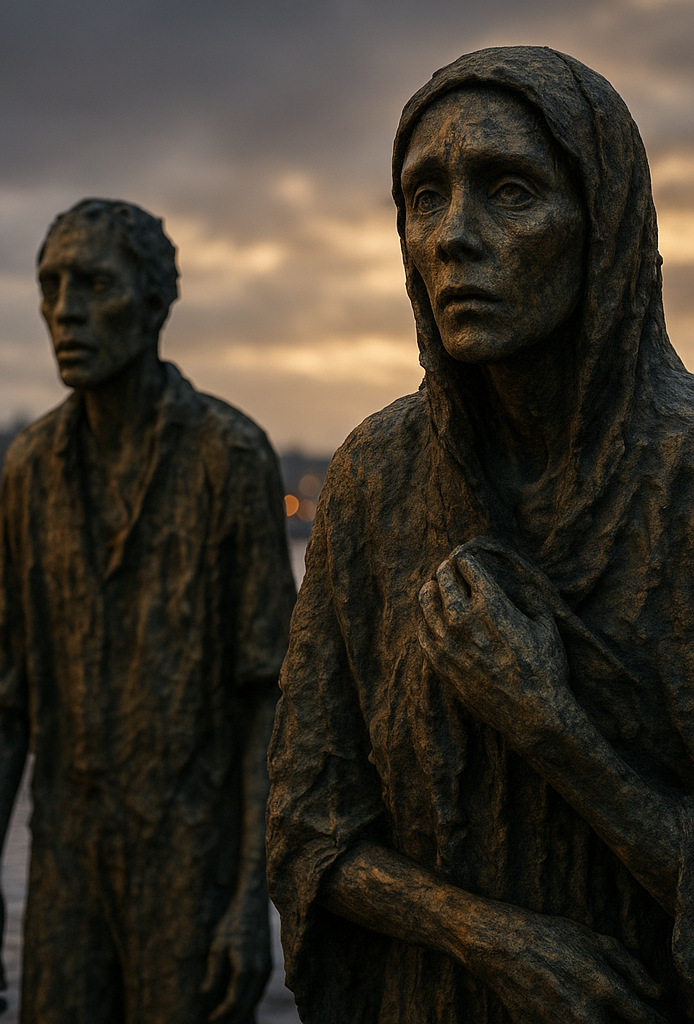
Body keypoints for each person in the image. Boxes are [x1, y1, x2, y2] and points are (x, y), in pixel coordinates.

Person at [267, 46, 694, 1024]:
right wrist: (487, 935)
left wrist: (551, 726)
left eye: (509, 190)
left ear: (606, 224)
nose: (453, 236)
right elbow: (306, 825)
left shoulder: (681, 481)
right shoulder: (375, 478)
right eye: (424, 196)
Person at [0, 198, 295, 1022]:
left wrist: (254, 902)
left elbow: (269, 700)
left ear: (153, 303)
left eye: (93, 283)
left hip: (194, 860)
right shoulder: (29, 467)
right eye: (51, 285)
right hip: (65, 859)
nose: (65, 310)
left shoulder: (231, 457)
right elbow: (4, 699)